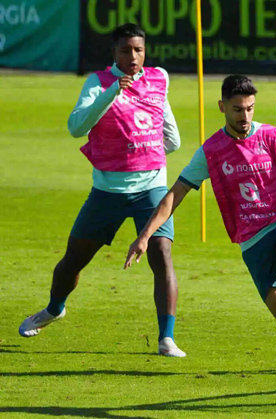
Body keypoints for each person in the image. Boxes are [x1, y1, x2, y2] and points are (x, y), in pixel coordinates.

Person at [125, 75, 276, 406]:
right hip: (252, 240)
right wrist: (144, 236)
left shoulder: (272, 137)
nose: (245, 116)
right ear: (222, 107)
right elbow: (175, 194)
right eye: (238, 109)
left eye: (251, 108)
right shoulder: (211, 151)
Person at [18, 23, 185, 357]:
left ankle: (166, 338)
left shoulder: (159, 78)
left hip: (151, 188)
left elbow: (172, 138)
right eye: (125, 50)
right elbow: (76, 127)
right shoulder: (98, 83)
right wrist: (112, 94)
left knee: (162, 257)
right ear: (114, 53)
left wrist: (143, 153)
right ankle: (54, 308)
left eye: (138, 49)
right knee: (74, 260)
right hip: (107, 191)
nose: (133, 56)